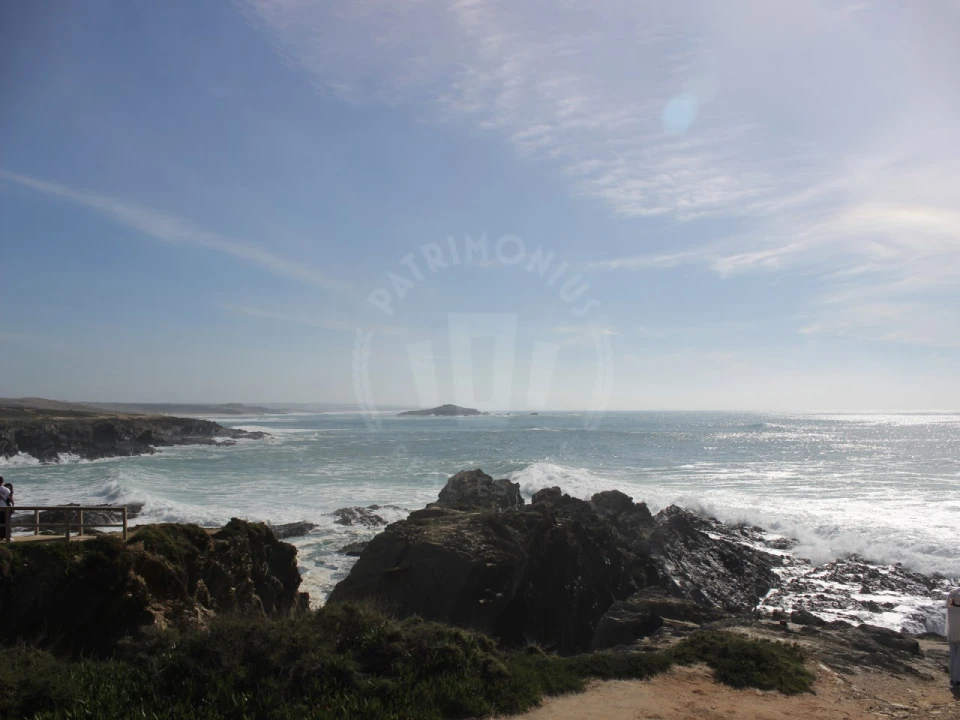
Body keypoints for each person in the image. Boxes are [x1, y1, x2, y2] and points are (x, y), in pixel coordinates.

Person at [950, 587, 960, 688]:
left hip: (952, 630)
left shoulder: (951, 595)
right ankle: (958, 679)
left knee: (953, 654)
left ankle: (953, 679)